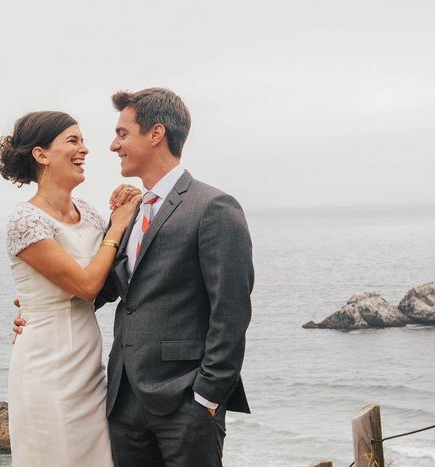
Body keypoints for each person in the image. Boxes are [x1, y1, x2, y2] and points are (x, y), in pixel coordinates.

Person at [15, 88, 255, 466]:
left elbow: (232, 311)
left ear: (156, 134)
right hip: (122, 402)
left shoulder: (213, 207)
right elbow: (101, 287)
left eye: (122, 134)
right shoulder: (128, 212)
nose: (113, 145)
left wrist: (206, 396)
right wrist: (36, 310)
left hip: (185, 402)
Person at [0, 110, 140, 467]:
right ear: (41, 155)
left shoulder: (91, 214)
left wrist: (129, 202)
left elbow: (109, 277)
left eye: (83, 141)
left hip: (89, 366)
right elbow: (87, 286)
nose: (85, 149)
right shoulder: (25, 220)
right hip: (46, 368)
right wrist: (117, 226)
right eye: (73, 141)